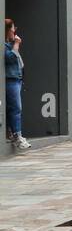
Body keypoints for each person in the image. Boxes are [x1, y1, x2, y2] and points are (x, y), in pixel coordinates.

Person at [4, 18, 30, 151]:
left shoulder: (10, 44)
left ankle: (13, 134)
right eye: (13, 28)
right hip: (10, 80)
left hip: (16, 79)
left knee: (13, 109)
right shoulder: (5, 45)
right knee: (16, 108)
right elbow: (10, 58)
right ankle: (17, 136)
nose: (15, 31)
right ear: (7, 30)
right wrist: (16, 44)